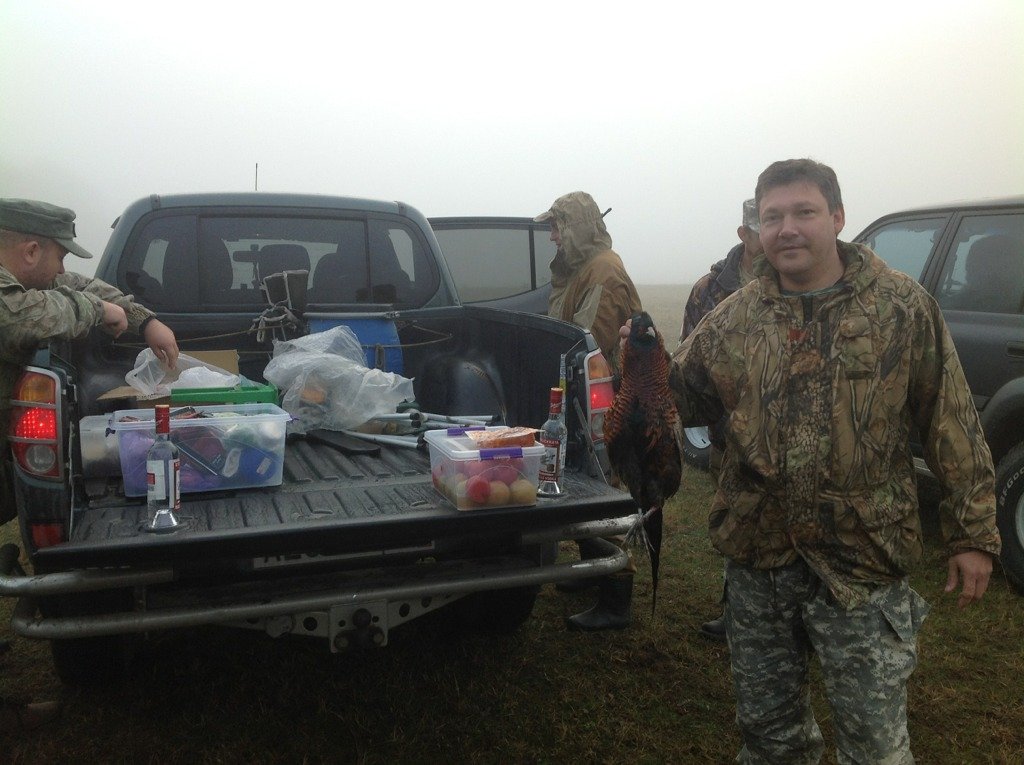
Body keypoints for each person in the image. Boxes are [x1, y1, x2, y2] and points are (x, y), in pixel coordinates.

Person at [658, 159, 1000, 762]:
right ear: (758, 229)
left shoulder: (901, 308)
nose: (787, 228)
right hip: (760, 557)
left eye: (804, 212)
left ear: (838, 218)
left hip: (861, 560)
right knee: (770, 739)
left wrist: (973, 534)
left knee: (873, 744)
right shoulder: (735, 317)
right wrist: (632, 368)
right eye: (772, 217)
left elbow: (950, 421)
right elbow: (679, 397)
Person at [0, 198, 179, 734]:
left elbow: (76, 286)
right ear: (31, 250)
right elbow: (20, 317)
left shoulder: (31, 276)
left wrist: (146, 321)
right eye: (59, 255)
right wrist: (97, 313)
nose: (63, 267)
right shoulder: (11, 296)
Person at [535, 191, 643, 631]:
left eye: (556, 227)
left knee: (600, 488)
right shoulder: (580, 269)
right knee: (582, 481)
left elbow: (585, 342)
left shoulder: (604, 271)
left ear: (575, 227)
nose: (552, 237)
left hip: (604, 402)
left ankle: (617, 595)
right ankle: (592, 570)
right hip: (581, 396)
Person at [679, 199, 761, 644]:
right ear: (743, 234)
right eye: (762, 227)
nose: (774, 236)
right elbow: (689, 365)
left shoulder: (802, 282)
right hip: (728, 439)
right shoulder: (709, 291)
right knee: (734, 521)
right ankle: (735, 611)